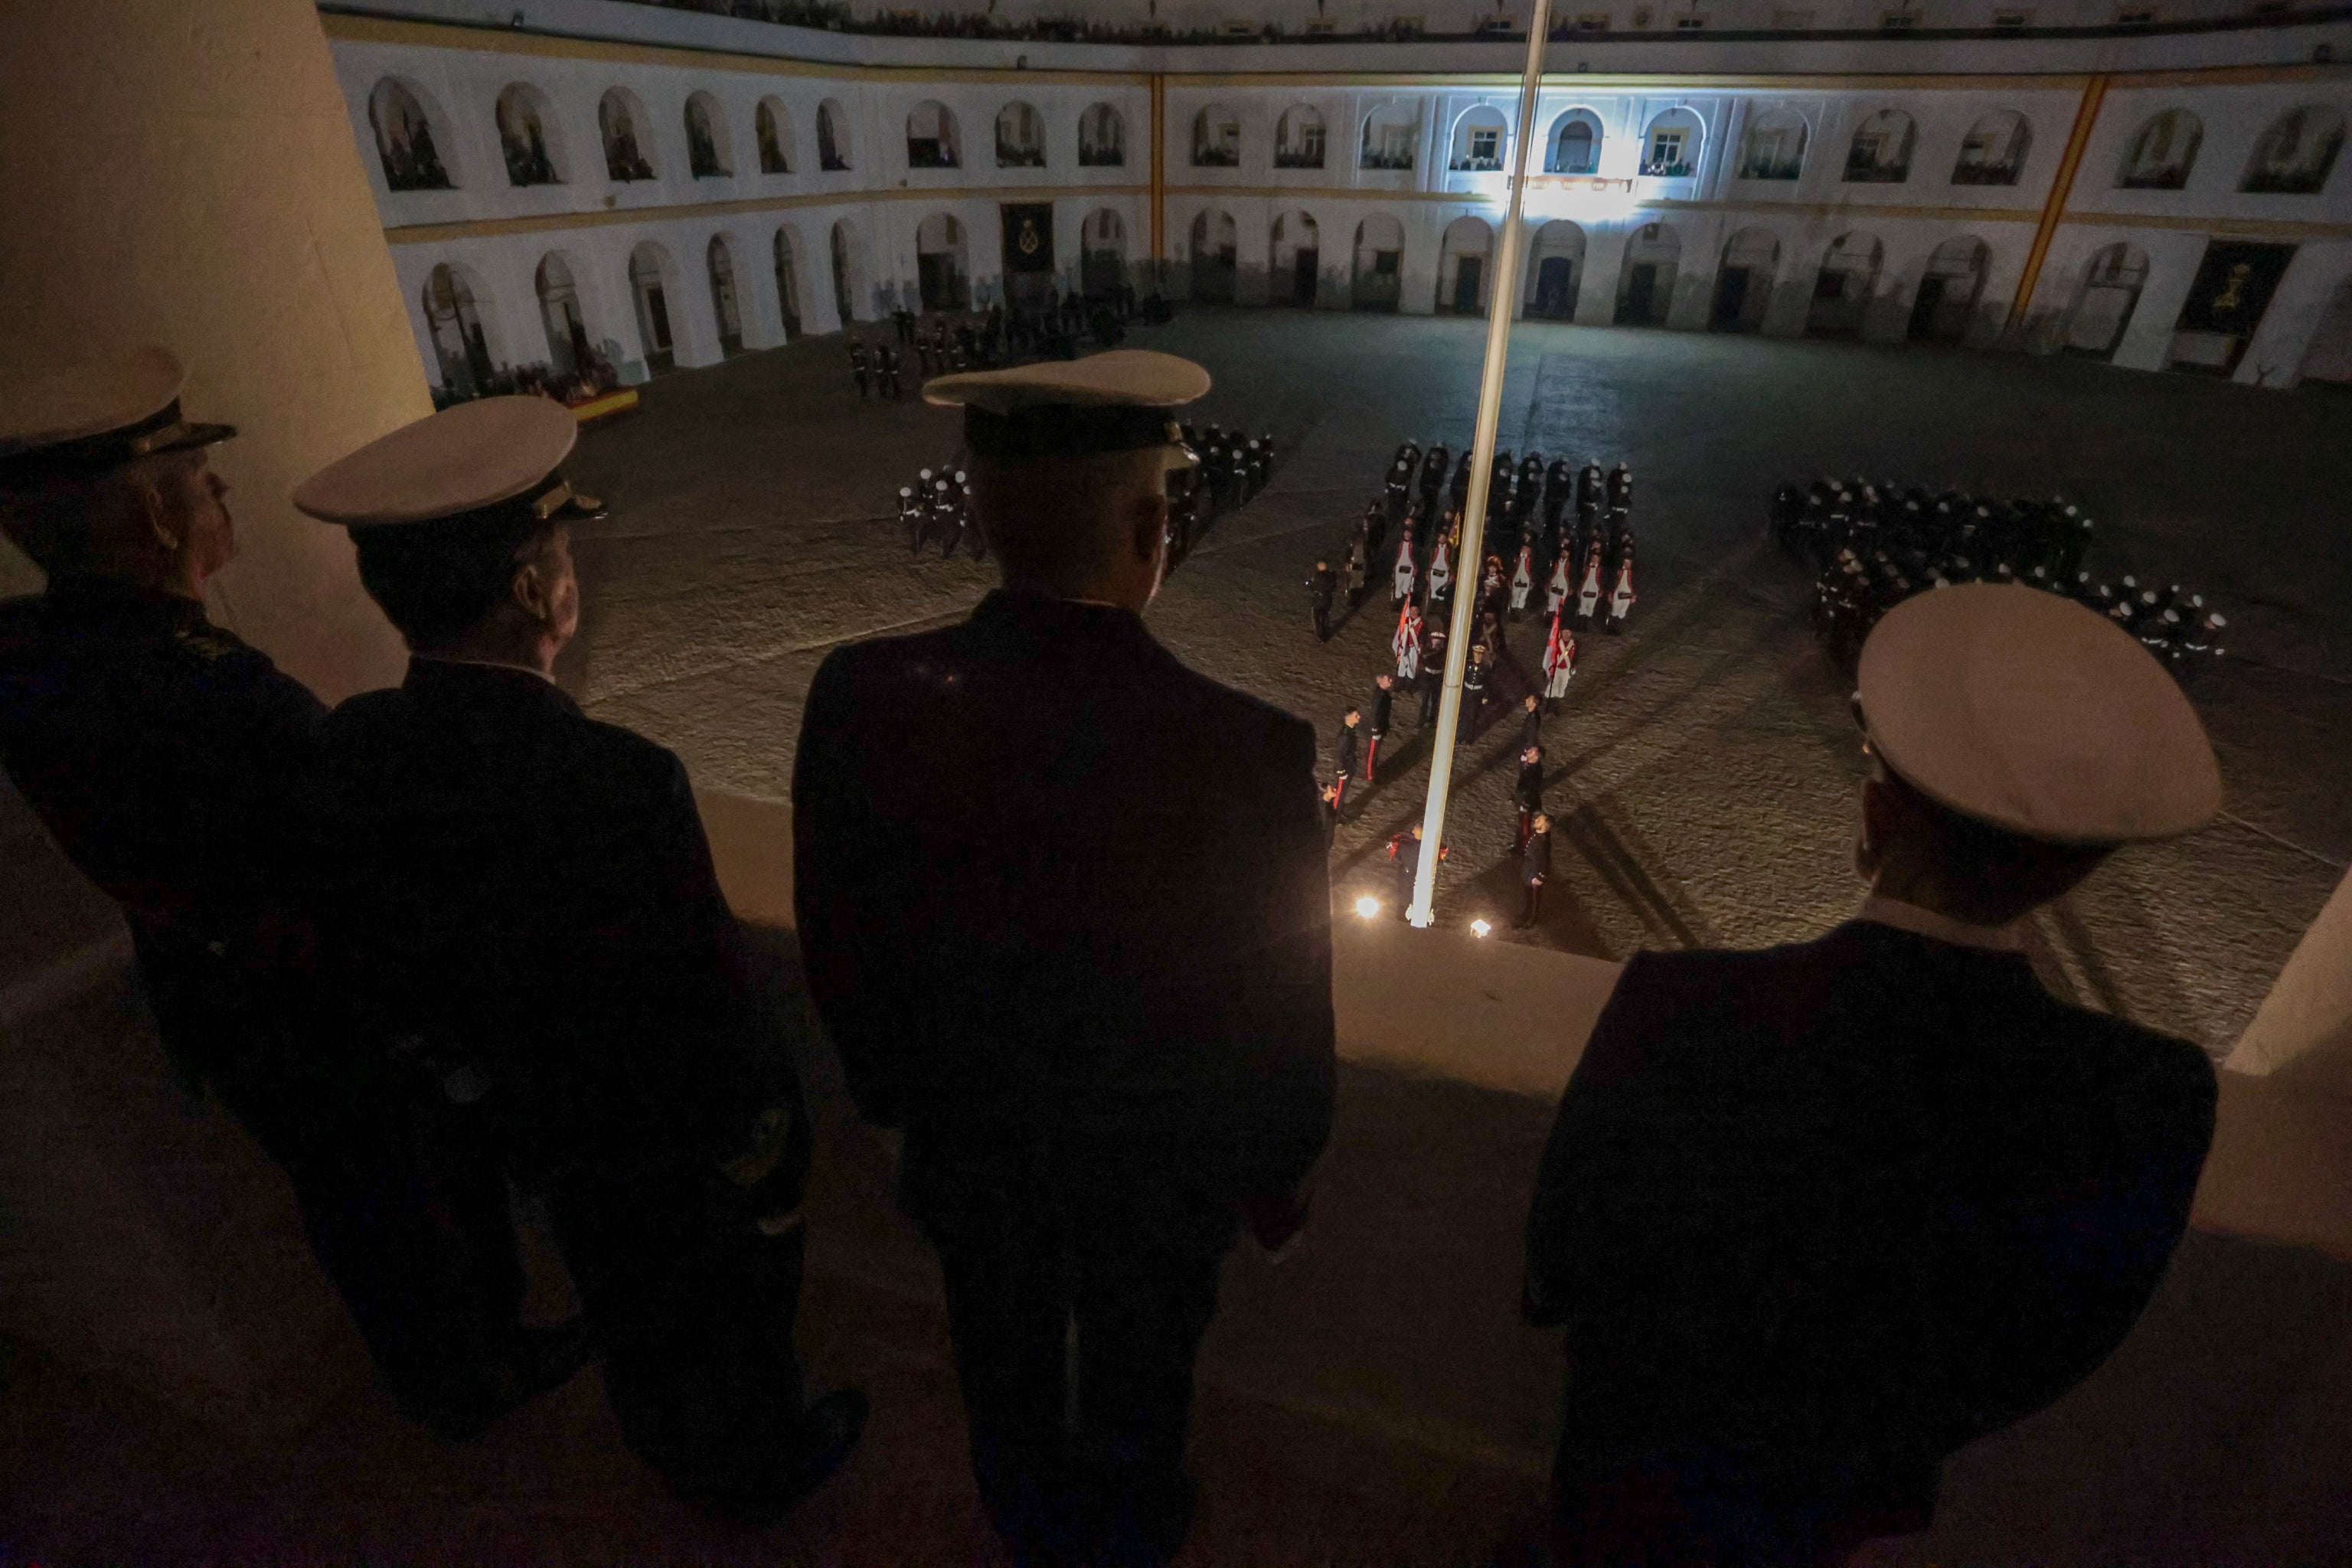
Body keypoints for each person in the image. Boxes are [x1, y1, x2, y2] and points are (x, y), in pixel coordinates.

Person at [1525, 582, 2224, 1568]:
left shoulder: (1683, 1005)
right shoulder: (2149, 1096)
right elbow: (2051, 1340)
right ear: (2078, 870)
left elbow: (1566, 1243)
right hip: (1838, 1488)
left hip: (1631, 1448)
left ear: (1871, 816)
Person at [793, 351, 1336, 1568]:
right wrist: (1279, 1177)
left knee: (998, 1354)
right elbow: (1283, 1012)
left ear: (980, 515)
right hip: (1159, 1180)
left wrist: (894, 1106)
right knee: (1144, 1378)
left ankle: (1022, 1517)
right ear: (1155, 528)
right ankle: (1129, 1530)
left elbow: (843, 937)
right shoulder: (1249, 753)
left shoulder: (863, 694)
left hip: (970, 1149)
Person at [292, 397, 864, 1520]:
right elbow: (703, 1003)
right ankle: (756, 1471)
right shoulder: (618, 777)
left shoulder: (358, 739)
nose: (573, 573)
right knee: (728, 1316)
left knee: (618, 1299)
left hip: (530, 1124)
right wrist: (766, 1144)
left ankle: (661, 1443)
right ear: (530, 593)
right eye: (562, 554)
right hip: (658, 1138)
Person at [0, 349, 580, 1442]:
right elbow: (366, 869)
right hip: (324, 1008)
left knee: (347, 1209)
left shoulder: (29, 651)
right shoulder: (222, 692)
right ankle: (476, 1377)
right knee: (415, 1203)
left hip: (209, 994)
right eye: (200, 475)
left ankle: (432, 1373)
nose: (221, 492)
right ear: (165, 523)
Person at [1516, 813, 1551, 929]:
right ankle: (1523, 916)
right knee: (1525, 896)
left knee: (1531, 898)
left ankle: (1529, 920)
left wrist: (1539, 877)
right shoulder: (1538, 836)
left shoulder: (1542, 843)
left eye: (1540, 820)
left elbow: (1543, 861)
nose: (1536, 820)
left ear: (1544, 827)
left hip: (1533, 874)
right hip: (1528, 870)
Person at [1332, 707, 1362, 816]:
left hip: (1349, 766)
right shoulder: (1345, 736)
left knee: (1343, 792)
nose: (1359, 717)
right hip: (1344, 769)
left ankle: (1339, 809)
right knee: (1340, 793)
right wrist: (1342, 772)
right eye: (1356, 716)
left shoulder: (1349, 731)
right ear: (1349, 719)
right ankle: (1335, 815)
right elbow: (1339, 755)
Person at [1367, 672, 1396, 782]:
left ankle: (1373, 771)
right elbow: (1375, 713)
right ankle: (1370, 775)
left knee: (1375, 752)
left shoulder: (1383, 694)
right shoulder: (1380, 697)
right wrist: (1375, 729)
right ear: (1382, 681)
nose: (1391, 681)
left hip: (1380, 727)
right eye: (1388, 679)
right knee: (1372, 753)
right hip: (1377, 728)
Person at [1515, 743, 1545, 851]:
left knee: (1525, 825)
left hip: (1528, 801)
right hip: (1522, 796)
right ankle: (1518, 843)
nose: (1528, 751)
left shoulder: (1535, 772)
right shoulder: (1529, 763)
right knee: (1520, 822)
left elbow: (1532, 790)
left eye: (1532, 751)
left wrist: (1526, 804)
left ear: (1536, 757)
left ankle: (1525, 847)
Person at [1307, 558, 1337, 642]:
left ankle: (1320, 636)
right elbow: (1334, 587)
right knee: (1325, 616)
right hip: (1328, 599)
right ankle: (1326, 633)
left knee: (1316, 617)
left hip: (1318, 600)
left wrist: (1310, 583)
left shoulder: (1318, 576)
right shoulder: (1331, 576)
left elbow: (1312, 587)